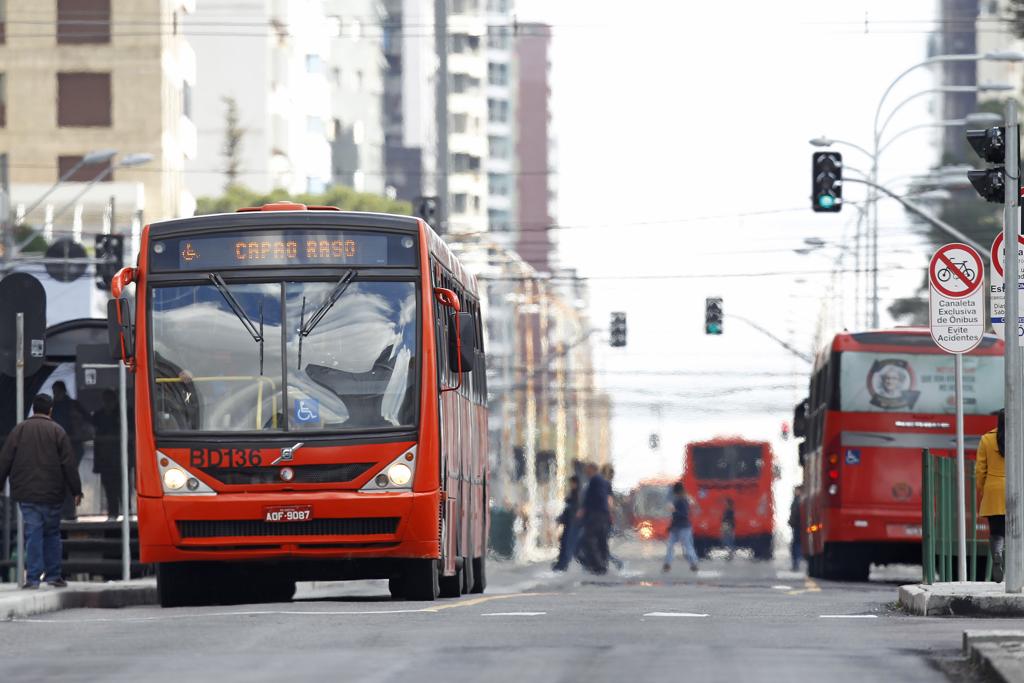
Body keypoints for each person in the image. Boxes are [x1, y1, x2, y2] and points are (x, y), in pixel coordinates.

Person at [0, 393, 83, 588]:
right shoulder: (57, 431)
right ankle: (53, 576)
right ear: (50, 410)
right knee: (52, 533)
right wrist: (76, 491)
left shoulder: (19, 431)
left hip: (26, 492)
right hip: (52, 493)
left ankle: (33, 578)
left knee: (33, 532)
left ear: (33, 409)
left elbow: (5, 459)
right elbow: (69, 464)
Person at [51, 381, 90, 520]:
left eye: (56, 391)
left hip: (72, 446)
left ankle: (68, 511)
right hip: (63, 447)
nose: (55, 394)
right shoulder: (56, 406)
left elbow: (88, 419)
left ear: (62, 391)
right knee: (63, 479)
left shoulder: (69, 406)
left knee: (68, 479)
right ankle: (65, 511)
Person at [976, 409, 1007, 582]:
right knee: (1017, 531)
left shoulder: (986, 439)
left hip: (994, 490)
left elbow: (980, 470)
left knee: (997, 531)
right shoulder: (1019, 437)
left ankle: (997, 553)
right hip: (1017, 489)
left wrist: (983, 489)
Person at [91, 389, 123, 520]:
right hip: (104, 458)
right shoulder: (98, 416)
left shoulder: (122, 413)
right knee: (109, 487)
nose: (107, 403)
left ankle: (127, 511)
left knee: (122, 486)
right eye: (105, 400)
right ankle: (113, 512)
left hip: (120, 457)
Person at [577, 462, 611, 574]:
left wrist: (585, 509)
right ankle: (601, 564)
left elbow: (596, 497)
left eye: (588, 470)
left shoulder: (595, 480)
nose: (586, 472)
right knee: (601, 540)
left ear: (592, 469)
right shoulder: (601, 481)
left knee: (588, 538)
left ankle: (598, 565)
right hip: (602, 514)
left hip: (596, 514)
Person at [663, 482, 699, 573]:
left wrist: (673, 510)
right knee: (674, 546)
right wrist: (670, 526)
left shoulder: (683, 500)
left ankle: (693, 563)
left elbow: (684, 515)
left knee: (685, 546)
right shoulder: (680, 499)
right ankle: (668, 564)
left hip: (683, 527)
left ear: (677, 492)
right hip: (677, 527)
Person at [552, 475, 581, 572]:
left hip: (573, 525)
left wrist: (561, 519)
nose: (570, 485)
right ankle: (561, 564)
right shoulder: (573, 494)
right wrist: (560, 519)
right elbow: (567, 511)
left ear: (575, 483)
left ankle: (562, 565)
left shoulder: (577, 495)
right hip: (569, 524)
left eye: (571, 483)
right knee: (566, 545)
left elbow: (572, 511)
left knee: (569, 546)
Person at [601, 464, 624, 571]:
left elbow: (609, 502)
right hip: (605, 520)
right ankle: (613, 563)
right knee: (600, 545)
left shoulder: (605, 484)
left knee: (600, 546)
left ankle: (617, 563)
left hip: (604, 520)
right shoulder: (606, 484)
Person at [789, 485, 803, 572]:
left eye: (796, 490)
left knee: (797, 545)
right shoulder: (797, 500)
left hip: (798, 526)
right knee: (796, 544)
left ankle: (796, 562)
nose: (795, 492)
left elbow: (795, 514)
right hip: (797, 526)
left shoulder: (798, 501)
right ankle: (796, 562)